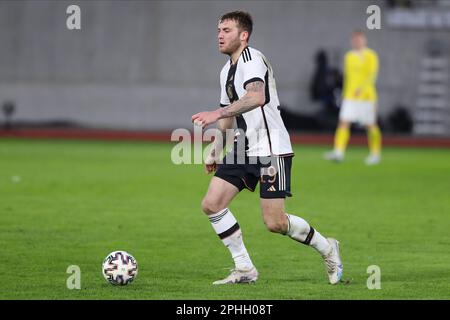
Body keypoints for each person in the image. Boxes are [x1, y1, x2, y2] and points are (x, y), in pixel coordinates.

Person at [191, 11, 343, 285]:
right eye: (218, 30)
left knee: (275, 223)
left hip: (271, 146)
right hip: (244, 146)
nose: (220, 35)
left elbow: (256, 97)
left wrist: (216, 112)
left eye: (226, 30)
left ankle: (328, 248)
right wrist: (216, 149)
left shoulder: (253, 59)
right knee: (212, 204)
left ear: (243, 35)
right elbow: (228, 115)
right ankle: (245, 269)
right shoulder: (226, 70)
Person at [325, 31, 382, 165]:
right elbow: (348, 77)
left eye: (360, 40)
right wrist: (344, 94)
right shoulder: (349, 56)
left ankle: (375, 153)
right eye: (355, 40)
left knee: (370, 125)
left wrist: (361, 88)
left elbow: (372, 75)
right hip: (350, 96)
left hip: (367, 96)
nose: (357, 42)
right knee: (344, 122)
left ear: (364, 41)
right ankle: (338, 152)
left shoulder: (371, 55)